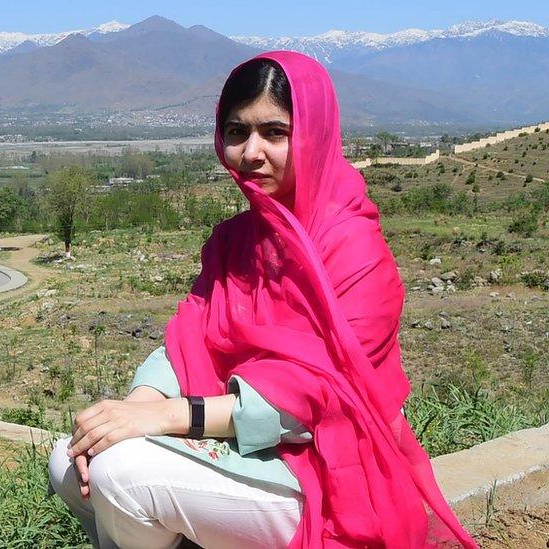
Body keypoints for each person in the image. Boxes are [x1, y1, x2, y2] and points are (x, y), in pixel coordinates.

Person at [48, 51, 477, 548]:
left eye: (275, 132)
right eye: (237, 132)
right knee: (73, 458)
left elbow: (314, 401)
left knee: (120, 474)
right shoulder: (237, 241)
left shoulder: (354, 249)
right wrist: (131, 409)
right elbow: (191, 337)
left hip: (327, 469)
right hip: (245, 444)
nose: (252, 152)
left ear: (313, 134)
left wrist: (165, 418)